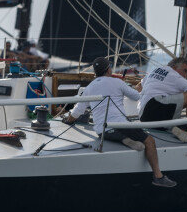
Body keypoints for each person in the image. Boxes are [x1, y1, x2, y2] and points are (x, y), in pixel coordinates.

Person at [63, 57, 176, 188]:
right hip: (120, 125)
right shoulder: (117, 83)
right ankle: (158, 176)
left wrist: (68, 120)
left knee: (112, 131)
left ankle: (123, 139)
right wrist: (134, 88)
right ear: (108, 69)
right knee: (149, 141)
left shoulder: (89, 88)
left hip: (102, 130)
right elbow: (136, 97)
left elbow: (76, 113)